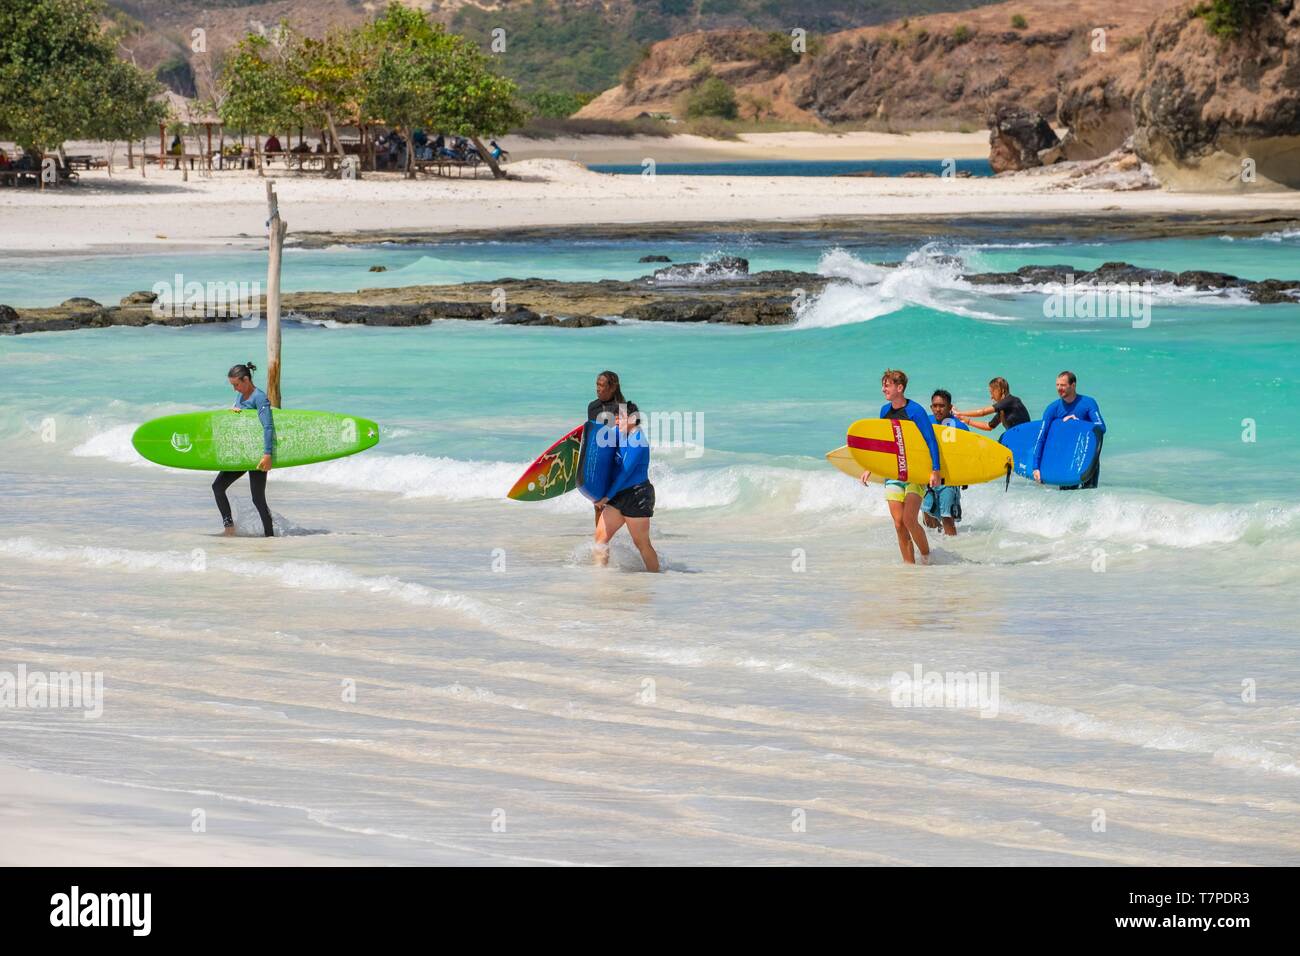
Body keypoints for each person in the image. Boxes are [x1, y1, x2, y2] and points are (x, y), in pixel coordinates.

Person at [860, 369, 943, 565]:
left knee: (909, 519)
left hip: (915, 472)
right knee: (898, 524)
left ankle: (926, 558)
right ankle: (909, 568)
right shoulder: (884, 411)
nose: (883, 389)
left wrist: (935, 469)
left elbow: (931, 441)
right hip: (893, 473)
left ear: (900, 387)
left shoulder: (916, 411)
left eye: (886, 385)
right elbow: (883, 442)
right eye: (883, 385)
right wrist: (870, 466)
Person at [213, 362, 275, 537]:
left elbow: (268, 427)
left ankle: (269, 537)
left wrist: (267, 454)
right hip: (242, 453)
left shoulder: (260, 398)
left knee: (258, 499)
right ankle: (229, 527)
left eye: (236, 385)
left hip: (257, 455)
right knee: (218, 487)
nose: (235, 389)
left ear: (246, 379)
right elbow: (241, 420)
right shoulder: (241, 396)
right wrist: (232, 414)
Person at [593, 409, 659, 573]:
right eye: (615, 418)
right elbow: (598, 436)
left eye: (620, 418)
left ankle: (657, 577)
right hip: (618, 494)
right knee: (601, 538)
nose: (616, 421)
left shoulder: (639, 441)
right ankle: (600, 579)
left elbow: (624, 473)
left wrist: (607, 496)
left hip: (637, 495)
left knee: (642, 544)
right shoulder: (621, 433)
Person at [1032, 370, 1107, 489]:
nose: (1059, 388)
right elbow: (1042, 438)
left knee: (1089, 496)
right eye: (1057, 385)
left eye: (1063, 385)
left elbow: (1101, 427)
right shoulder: (1052, 409)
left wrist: (1077, 424)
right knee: (1065, 497)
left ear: (1073, 385)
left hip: (1088, 458)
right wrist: (1036, 467)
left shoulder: (1088, 403)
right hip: (1065, 458)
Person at [588, 371, 640, 527]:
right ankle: (601, 542)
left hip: (617, 461)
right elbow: (592, 435)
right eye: (597, 384)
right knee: (598, 504)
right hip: (599, 462)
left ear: (612, 387)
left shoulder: (624, 408)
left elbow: (629, 434)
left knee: (618, 503)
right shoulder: (592, 406)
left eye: (602, 385)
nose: (598, 388)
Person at [923, 389, 969, 537]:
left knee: (946, 516)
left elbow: (967, 454)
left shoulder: (960, 427)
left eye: (942, 405)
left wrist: (965, 476)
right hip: (928, 476)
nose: (938, 409)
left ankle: (953, 551)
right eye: (934, 405)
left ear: (950, 407)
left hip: (949, 478)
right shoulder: (925, 421)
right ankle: (939, 548)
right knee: (927, 515)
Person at [955, 377, 1031, 432]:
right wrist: (967, 421)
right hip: (1017, 437)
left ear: (1001, 390)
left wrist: (959, 413)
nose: (991, 397)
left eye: (992, 393)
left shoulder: (1012, 400)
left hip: (1026, 435)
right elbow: (989, 426)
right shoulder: (1003, 410)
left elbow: (982, 412)